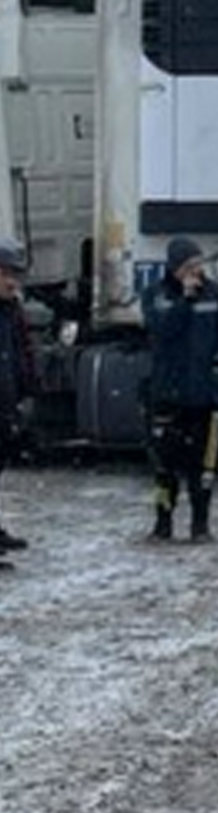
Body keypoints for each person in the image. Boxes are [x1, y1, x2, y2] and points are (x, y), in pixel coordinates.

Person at [140, 237, 218, 544]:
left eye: (199, 265)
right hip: (167, 396)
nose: (196, 272)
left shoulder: (216, 294)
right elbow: (161, 331)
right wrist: (184, 302)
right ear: (175, 269)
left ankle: (201, 525)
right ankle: (163, 525)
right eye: (189, 267)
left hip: (205, 396)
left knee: (204, 467)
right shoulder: (155, 295)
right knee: (164, 467)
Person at [0, 237, 37, 567]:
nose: (13, 281)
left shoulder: (11, 310)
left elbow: (21, 353)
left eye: (15, 274)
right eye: (6, 273)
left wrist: (27, 390)